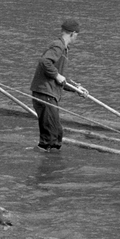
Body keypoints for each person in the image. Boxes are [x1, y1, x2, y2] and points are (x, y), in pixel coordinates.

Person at [30, 18, 88, 151]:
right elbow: (44, 62)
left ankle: (53, 164)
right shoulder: (58, 46)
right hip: (45, 93)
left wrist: (76, 89)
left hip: (50, 93)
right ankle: (42, 162)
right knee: (50, 136)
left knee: (56, 134)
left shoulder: (64, 49)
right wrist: (57, 75)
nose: (76, 39)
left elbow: (60, 78)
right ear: (73, 33)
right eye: (77, 35)